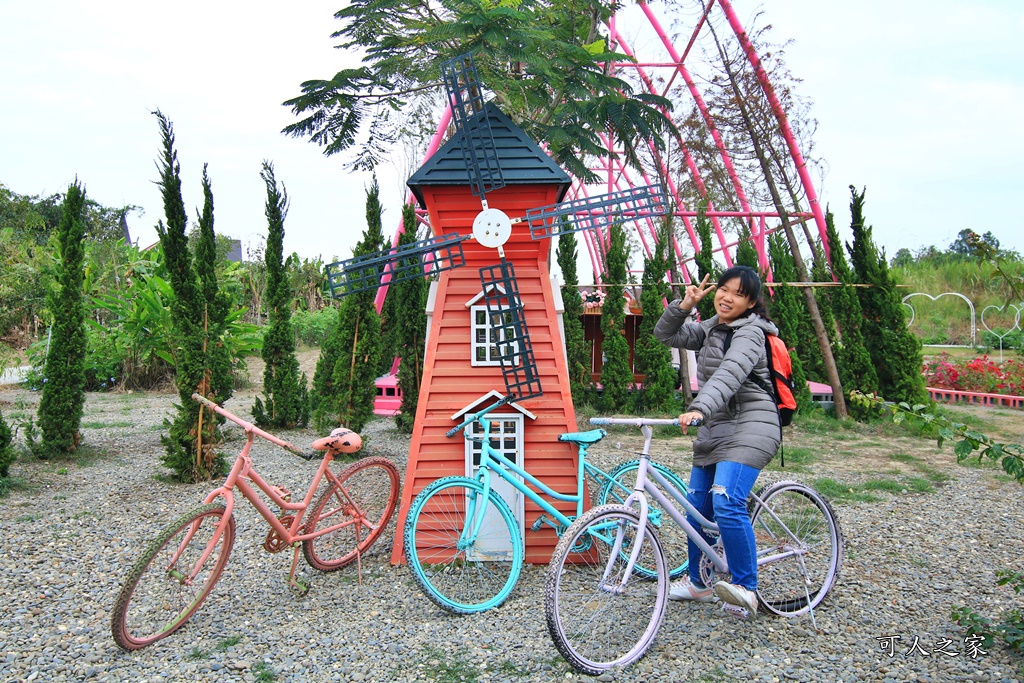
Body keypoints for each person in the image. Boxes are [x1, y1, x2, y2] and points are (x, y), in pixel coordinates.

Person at [653, 265, 782, 616]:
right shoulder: (712, 328)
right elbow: (666, 336)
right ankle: (699, 583)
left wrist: (698, 408)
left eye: (739, 294)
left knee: (726, 501)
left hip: (753, 423)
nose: (727, 297)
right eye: (724, 289)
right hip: (715, 426)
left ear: (751, 302)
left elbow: (729, 374)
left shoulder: (751, 332)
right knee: (696, 510)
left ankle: (746, 586)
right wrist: (683, 306)